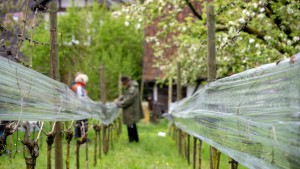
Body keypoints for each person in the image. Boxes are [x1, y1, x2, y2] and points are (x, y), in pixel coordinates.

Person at [114, 76, 144, 142]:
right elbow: (125, 95)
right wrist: (119, 99)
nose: (124, 86)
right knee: (130, 124)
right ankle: (133, 140)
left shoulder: (132, 89)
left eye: (124, 84)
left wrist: (118, 103)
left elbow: (128, 100)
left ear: (127, 82)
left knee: (131, 125)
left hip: (131, 110)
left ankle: (133, 140)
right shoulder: (130, 87)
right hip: (130, 110)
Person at [72, 73, 89, 139]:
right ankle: (82, 137)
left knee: (79, 121)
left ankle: (79, 136)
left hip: (78, 107)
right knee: (82, 122)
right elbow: (81, 97)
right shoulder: (79, 87)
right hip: (81, 107)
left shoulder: (79, 87)